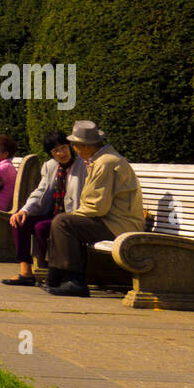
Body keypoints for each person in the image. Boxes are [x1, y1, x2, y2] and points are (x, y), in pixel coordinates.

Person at [44, 120, 144, 297]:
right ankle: (56, 276)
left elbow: (97, 206)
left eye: (75, 145)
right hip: (115, 222)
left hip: (120, 226)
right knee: (63, 221)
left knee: (63, 222)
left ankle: (75, 281)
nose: (74, 149)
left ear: (84, 146)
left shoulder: (105, 163)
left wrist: (73, 215)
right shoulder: (104, 159)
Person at [2, 130, 87, 286]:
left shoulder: (83, 165)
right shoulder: (50, 166)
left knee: (41, 227)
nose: (61, 153)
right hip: (53, 213)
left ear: (70, 146)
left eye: (63, 148)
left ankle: (49, 270)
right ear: (51, 154)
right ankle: (26, 272)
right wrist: (24, 210)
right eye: (56, 151)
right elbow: (40, 192)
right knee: (19, 221)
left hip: (71, 217)